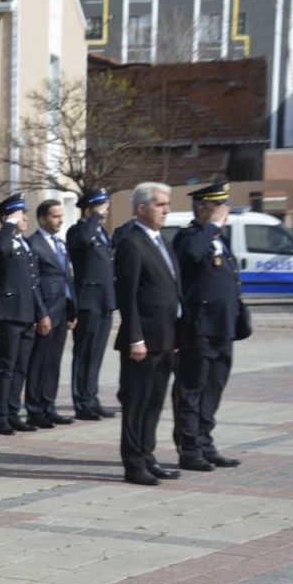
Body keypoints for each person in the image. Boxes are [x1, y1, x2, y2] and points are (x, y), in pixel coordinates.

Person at [172, 181, 245, 471]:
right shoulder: (189, 236)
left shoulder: (217, 239)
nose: (224, 213)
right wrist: (212, 226)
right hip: (198, 328)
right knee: (192, 388)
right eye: (219, 206)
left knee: (213, 387)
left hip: (221, 328)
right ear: (203, 207)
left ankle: (205, 442)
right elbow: (189, 256)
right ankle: (189, 448)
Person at [113, 182, 182, 486]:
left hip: (166, 337)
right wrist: (135, 337)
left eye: (167, 204)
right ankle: (133, 462)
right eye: (160, 204)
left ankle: (147, 455)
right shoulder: (132, 242)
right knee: (136, 403)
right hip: (142, 341)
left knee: (154, 402)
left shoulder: (161, 241)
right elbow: (127, 297)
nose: (166, 209)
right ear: (141, 208)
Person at [0, 193, 46, 435]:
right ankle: (0, 416)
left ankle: (13, 412)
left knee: (21, 367)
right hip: (8, 313)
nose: (25, 218)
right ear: (7, 217)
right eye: (20, 213)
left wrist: (41, 313)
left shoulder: (23, 244)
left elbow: (33, 283)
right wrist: (8, 224)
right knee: (6, 367)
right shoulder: (0, 239)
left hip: (26, 313)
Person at [25, 199, 77, 428]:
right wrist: (41, 314)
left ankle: (49, 406)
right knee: (39, 363)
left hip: (61, 310)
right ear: (42, 218)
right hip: (45, 312)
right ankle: (35, 410)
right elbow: (33, 282)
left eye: (61, 215)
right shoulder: (34, 244)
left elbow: (67, 278)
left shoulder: (60, 244)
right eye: (55, 216)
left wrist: (71, 309)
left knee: (53, 363)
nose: (60, 220)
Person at [67, 188, 117, 421]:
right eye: (99, 208)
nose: (104, 213)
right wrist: (94, 216)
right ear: (88, 209)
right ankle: (82, 402)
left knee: (96, 354)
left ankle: (92, 398)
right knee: (84, 353)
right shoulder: (78, 231)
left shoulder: (101, 233)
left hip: (104, 301)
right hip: (88, 302)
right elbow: (83, 241)